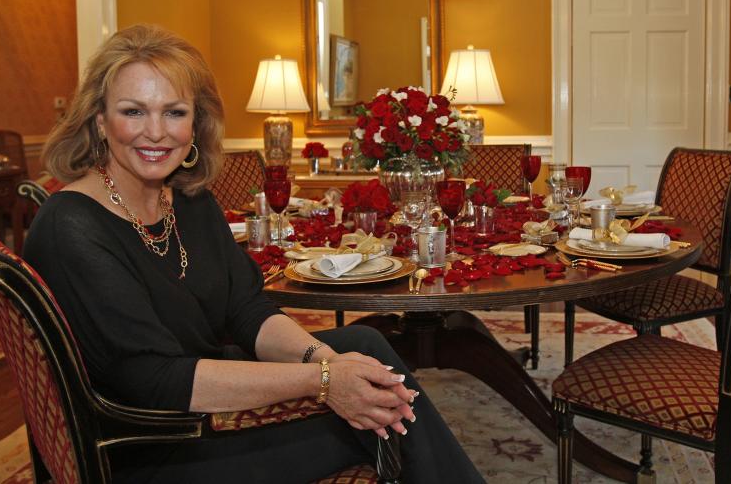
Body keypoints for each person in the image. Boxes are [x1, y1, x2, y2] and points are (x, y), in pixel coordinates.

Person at [24, 24, 483, 483]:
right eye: (133, 111)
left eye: (174, 112)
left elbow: (246, 309)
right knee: (382, 418)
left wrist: (331, 364)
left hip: (199, 408)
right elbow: (154, 381)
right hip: (147, 446)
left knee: (364, 352)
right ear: (100, 121)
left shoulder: (187, 198)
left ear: (196, 123)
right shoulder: (72, 226)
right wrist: (323, 381)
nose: (157, 132)